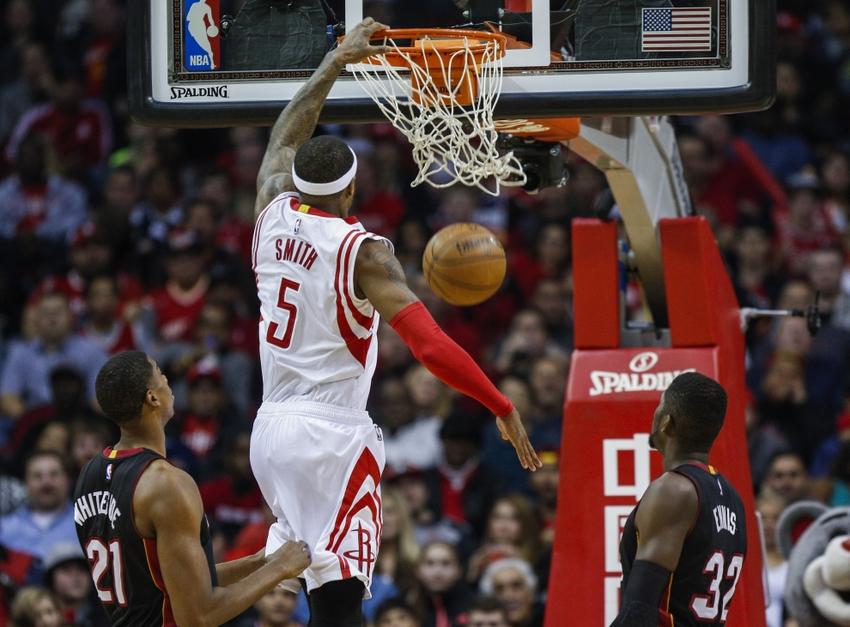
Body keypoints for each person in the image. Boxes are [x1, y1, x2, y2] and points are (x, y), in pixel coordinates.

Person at [249, 17, 541, 627]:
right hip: (330, 434)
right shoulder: (366, 253)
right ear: (352, 188)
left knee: (317, 590)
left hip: (270, 430)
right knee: (342, 600)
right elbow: (431, 348)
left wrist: (335, 61)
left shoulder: (271, 208)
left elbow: (283, 136)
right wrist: (499, 404)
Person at [73, 351, 312, 626]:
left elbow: (173, 583)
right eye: (160, 373)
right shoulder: (166, 483)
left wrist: (261, 561)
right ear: (152, 397)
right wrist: (281, 569)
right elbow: (198, 616)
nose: (167, 380)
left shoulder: (89, 473)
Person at [612, 372, 748, 626]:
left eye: (659, 405)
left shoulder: (674, 491)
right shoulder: (733, 499)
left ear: (667, 423)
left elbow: (639, 610)